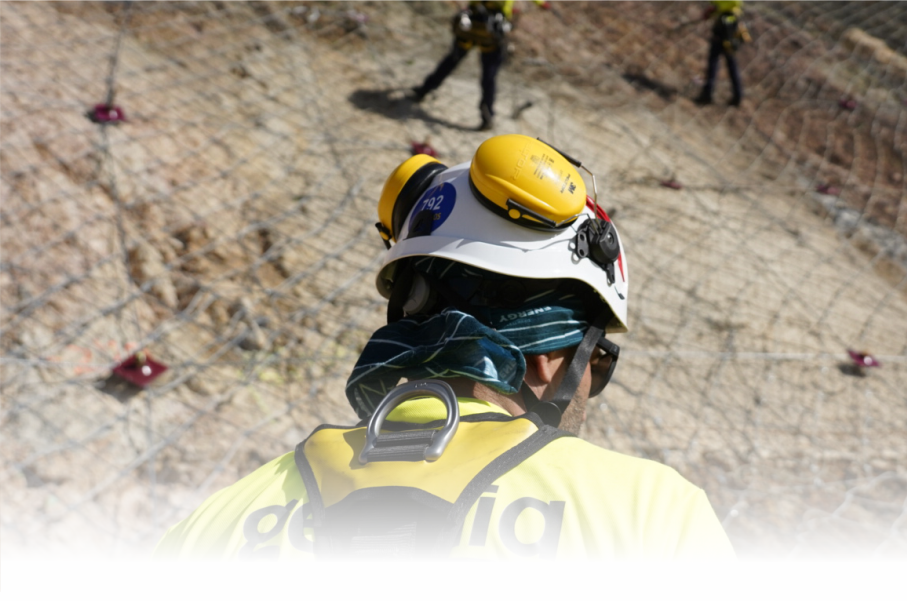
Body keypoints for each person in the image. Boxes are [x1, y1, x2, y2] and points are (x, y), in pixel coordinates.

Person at [155, 134, 735, 559]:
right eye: (598, 363)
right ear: (551, 351)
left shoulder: (214, 521)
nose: (591, 386)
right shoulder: (650, 517)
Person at [409, 0, 551, 131]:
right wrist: (542, 4)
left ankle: (423, 91)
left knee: (451, 62)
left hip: (472, 26)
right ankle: (487, 116)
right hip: (491, 31)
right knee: (488, 75)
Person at [694, 0, 750, 108]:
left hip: (727, 24)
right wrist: (713, 10)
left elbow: (734, 3)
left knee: (716, 61)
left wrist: (716, 8)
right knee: (727, 62)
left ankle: (709, 93)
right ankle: (736, 95)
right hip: (727, 23)